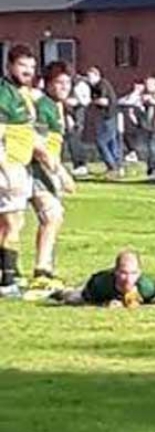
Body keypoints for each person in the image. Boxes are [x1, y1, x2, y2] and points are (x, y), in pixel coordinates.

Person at [27, 61, 77, 292]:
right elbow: (37, 145)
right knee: (52, 215)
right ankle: (41, 270)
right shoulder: (43, 106)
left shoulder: (58, 106)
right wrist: (61, 173)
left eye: (67, 82)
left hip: (46, 168)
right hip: (33, 168)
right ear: (47, 83)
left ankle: (43, 268)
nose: (64, 86)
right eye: (59, 82)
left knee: (50, 217)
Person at [0, 45, 39, 298]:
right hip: (9, 165)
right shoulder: (5, 93)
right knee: (13, 222)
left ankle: (6, 273)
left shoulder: (20, 93)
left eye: (32, 67)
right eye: (23, 66)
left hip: (19, 163)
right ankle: (9, 280)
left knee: (7, 224)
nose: (28, 71)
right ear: (10, 66)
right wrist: (5, 168)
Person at [55, 249, 155, 308]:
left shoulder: (147, 287)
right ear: (115, 271)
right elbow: (88, 300)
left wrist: (139, 299)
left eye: (133, 273)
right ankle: (60, 291)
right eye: (123, 273)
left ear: (139, 273)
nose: (128, 279)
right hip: (89, 291)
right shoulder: (101, 284)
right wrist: (104, 304)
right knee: (73, 298)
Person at [87, 66, 122, 176]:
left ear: (97, 75)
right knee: (111, 143)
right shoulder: (93, 86)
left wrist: (92, 101)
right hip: (104, 117)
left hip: (109, 116)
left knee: (101, 141)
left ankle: (112, 166)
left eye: (90, 76)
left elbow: (104, 101)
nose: (89, 79)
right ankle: (117, 166)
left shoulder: (102, 85)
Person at [66, 73, 91, 176]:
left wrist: (75, 102)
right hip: (72, 112)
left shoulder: (81, 86)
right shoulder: (75, 85)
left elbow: (85, 101)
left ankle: (80, 164)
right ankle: (78, 164)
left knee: (74, 138)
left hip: (78, 111)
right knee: (72, 139)